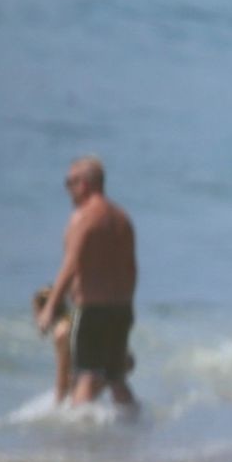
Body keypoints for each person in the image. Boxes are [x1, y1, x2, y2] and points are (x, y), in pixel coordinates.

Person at [37, 156, 140, 411]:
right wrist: (126, 302)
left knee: (85, 376)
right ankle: (137, 423)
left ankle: (79, 433)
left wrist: (51, 307)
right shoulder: (122, 218)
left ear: (83, 184)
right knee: (116, 378)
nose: (67, 190)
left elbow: (72, 263)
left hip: (93, 310)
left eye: (69, 183)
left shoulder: (83, 217)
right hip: (122, 309)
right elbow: (132, 268)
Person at [33, 286, 73, 404]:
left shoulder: (61, 332)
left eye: (35, 311)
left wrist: (58, 405)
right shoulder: (70, 323)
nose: (35, 317)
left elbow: (63, 373)